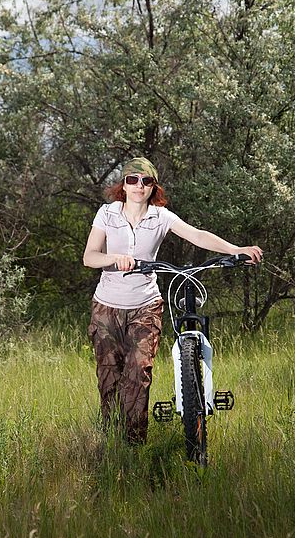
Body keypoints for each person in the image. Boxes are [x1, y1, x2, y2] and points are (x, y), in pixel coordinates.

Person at [83, 157, 262, 444]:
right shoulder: (107, 214)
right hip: (107, 306)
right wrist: (115, 259)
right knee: (109, 378)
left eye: (146, 181)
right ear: (124, 185)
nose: (139, 186)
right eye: (133, 180)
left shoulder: (161, 217)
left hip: (146, 305)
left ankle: (133, 447)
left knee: (138, 374)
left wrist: (236, 249)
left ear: (153, 187)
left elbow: (197, 235)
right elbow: (89, 256)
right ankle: (111, 443)